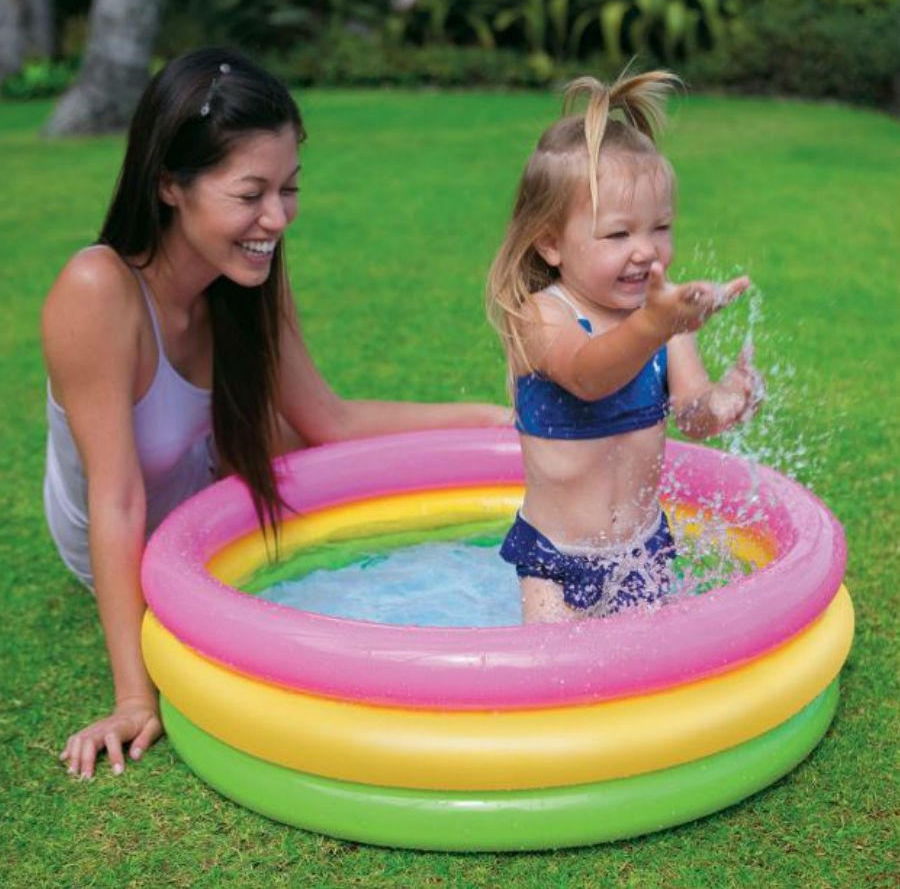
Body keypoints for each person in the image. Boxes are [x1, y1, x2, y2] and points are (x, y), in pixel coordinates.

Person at [42, 47, 507, 779]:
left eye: (288, 189)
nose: (276, 217)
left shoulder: (246, 271)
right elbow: (117, 499)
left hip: (209, 472)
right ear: (170, 185)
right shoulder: (98, 291)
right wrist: (135, 697)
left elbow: (331, 421)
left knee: (303, 451)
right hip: (131, 516)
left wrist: (487, 422)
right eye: (250, 192)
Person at [486, 70, 763, 624]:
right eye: (618, 235)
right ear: (550, 242)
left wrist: (724, 402)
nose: (646, 251)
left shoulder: (661, 320)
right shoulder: (543, 315)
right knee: (556, 688)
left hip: (642, 550)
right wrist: (656, 324)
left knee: (646, 689)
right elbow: (590, 374)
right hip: (557, 562)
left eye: (659, 228)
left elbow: (691, 412)